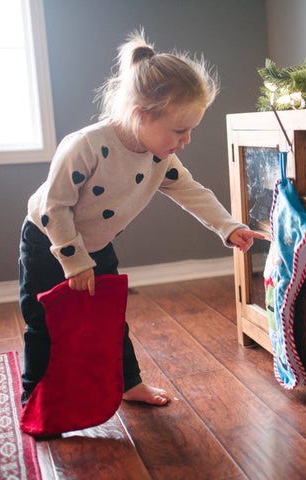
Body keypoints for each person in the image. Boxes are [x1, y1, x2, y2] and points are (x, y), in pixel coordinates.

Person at [18, 30, 263, 407]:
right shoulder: (86, 146)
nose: (187, 140)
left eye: (191, 130)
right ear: (140, 115)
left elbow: (191, 191)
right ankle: (35, 395)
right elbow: (55, 207)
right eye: (180, 130)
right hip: (48, 242)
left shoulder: (159, 155)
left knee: (110, 319)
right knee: (44, 324)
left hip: (97, 246)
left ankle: (128, 383)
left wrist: (228, 225)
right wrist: (74, 260)